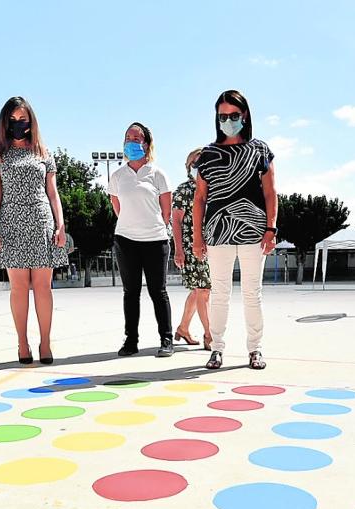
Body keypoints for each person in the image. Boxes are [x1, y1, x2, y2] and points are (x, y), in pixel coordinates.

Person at [192, 90, 277, 370]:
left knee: (253, 292)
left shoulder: (260, 150)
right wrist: (197, 237)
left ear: (245, 115)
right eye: (222, 116)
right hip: (218, 233)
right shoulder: (208, 155)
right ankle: (216, 347)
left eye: (233, 116)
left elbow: (270, 193)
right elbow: (200, 199)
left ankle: (255, 349)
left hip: (254, 232)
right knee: (220, 293)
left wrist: (271, 228)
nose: (227, 120)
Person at [0, 97, 68, 365]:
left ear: (31, 122)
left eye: (23, 120)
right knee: (19, 288)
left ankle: (46, 341)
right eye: (12, 121)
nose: (18, 125)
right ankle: (22, 342)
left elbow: (53, 193)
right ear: (4, 122)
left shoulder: (43, 152)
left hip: (42, 221)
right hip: (11, 223)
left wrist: (60, 224)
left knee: (43, 287)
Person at [109, 122, 174, 358]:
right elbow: (117, 206)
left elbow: (166, 211)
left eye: (136, 137)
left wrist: (151, 225)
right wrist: (132, 224)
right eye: (128, 137)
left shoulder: (158, 174)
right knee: (131, 292)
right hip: (126, 240)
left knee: (158, 291)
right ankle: (131, 341)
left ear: (146, 144)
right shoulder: (117, 176)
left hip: (155, 240)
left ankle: (167, 339)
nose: (131, 141)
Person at [171, 147, 212, 349]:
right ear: (189, 167)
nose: (200, 167)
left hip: (213, 246)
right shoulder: (183, 190)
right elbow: (176, 221)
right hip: (192, 247)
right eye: (196, 163)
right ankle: (209, 335)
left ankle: (183, 328)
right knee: (203, 290)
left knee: (199, 291)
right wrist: (178, 249)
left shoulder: (215, 188)